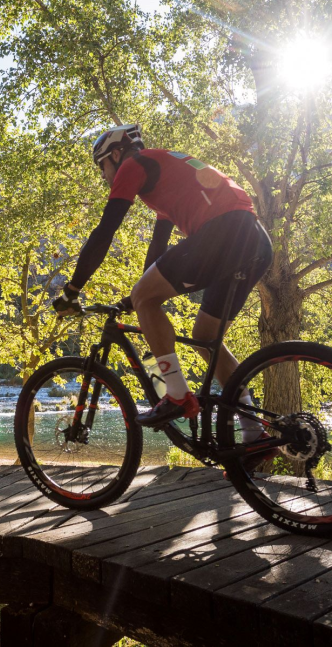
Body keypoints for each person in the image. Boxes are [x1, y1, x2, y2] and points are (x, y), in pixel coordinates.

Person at [52, 124, 274, 449]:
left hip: (223, 232)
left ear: (115, 154)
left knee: (149, 298)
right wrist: (135, 298)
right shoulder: (166, 174)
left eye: (102, 166)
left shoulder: (134, 164)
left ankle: (177, 395)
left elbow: (104, 232)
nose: (104, 176)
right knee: (205, 339)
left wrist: (72, 290)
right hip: (253, 240)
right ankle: (255, 435)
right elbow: (158, 252)